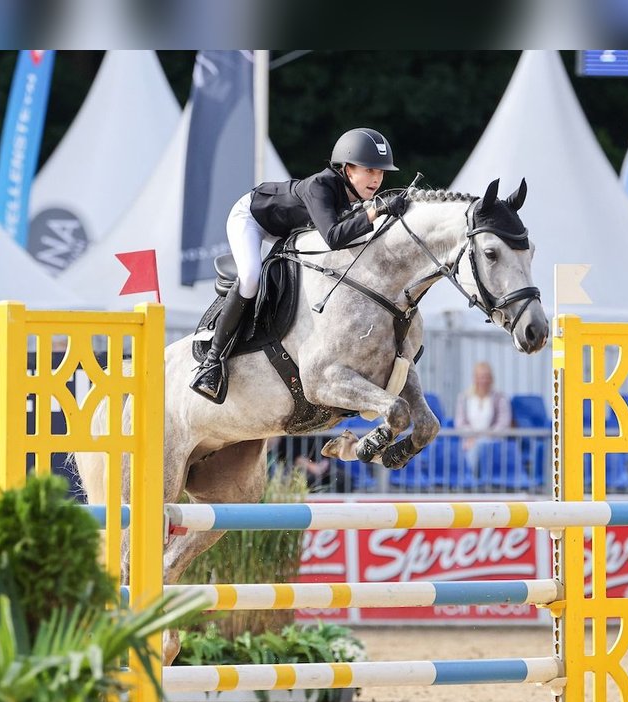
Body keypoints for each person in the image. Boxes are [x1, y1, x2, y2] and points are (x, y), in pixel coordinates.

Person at [190, 127, 407, 403]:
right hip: (252, 219)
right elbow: (333, 237)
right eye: (370, 170)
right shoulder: (321, 186)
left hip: (287, 231)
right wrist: (376, 211)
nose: (377, 179)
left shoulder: (356, 197)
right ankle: (212, 361)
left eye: (381, 173)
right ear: (347, 169)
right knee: (250, 277)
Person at [454, 361, 512, 471]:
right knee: (473, 447)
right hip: (469, 440)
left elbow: (503, 422)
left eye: (486, 377)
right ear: (474, 378)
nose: (483, 381)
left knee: (479, 446)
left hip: (493, 441)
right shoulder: (464, 398)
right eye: (480, 377)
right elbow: (460, 423)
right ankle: (473, 479)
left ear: (491, 379)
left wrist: (486, 436)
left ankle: (471, 478)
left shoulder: (500, 398)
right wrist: (472, 436)